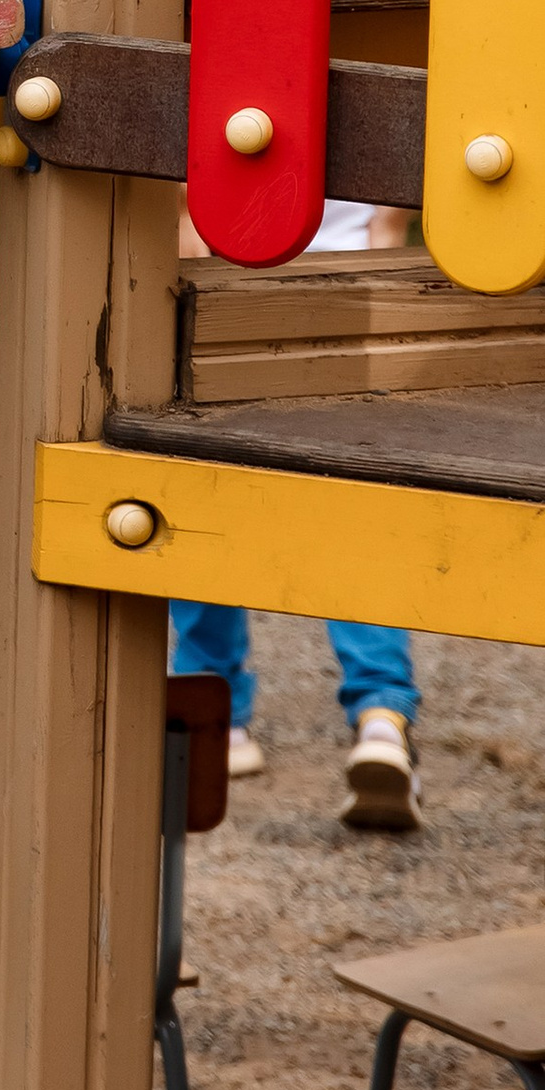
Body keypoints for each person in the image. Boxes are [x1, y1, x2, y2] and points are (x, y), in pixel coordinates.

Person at [170, 198, 425, 830]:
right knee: (355, 520)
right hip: (346, 310)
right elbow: (386, 230)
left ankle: (215, 709)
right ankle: (381, 716)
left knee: (210, 500)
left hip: (232, 307)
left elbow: (187, 217)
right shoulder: (393, 97)